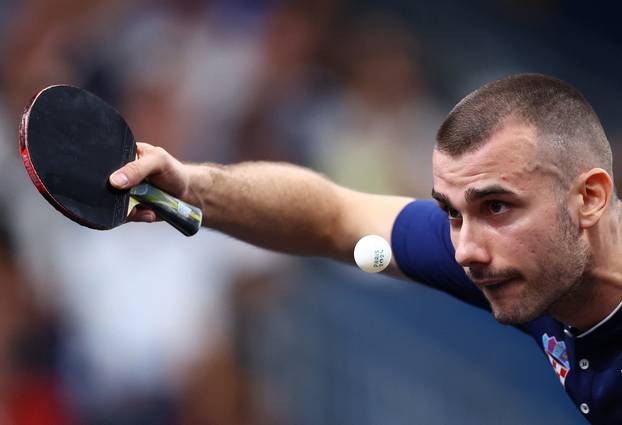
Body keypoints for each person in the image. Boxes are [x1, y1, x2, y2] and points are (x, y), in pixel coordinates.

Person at [109, 73, 620, 425]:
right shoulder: (522, 262)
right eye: (451, 212)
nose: (464, 250)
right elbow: (333, 216)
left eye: (498, 207)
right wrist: (191, 186)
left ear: (589, 199)